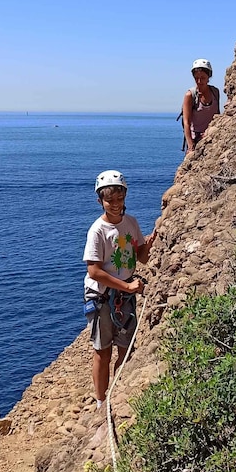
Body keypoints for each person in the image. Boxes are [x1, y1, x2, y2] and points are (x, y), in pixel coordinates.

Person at [83, 170, 157, 409]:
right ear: (100, 202)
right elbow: (94, 271)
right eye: (109, 200)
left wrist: (150, 243)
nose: (115, 205)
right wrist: (127, 285)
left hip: (124, 294)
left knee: (125, 349)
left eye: (119, 199)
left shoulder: (131, 223)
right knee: (103, 351)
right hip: (103, 295)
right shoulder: (97, 231)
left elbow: (140, 258)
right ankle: (101, 401)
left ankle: (117, 392)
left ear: (125, 197)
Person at [181, 58, 221, 153]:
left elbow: (217, 116)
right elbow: (186, 122)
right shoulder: (190, 95)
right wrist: (190, 145)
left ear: (209, 77)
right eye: (196, 78)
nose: (199, 81)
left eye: (202, 78)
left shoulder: (215, 92)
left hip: (212, 136)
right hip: (196, 139)